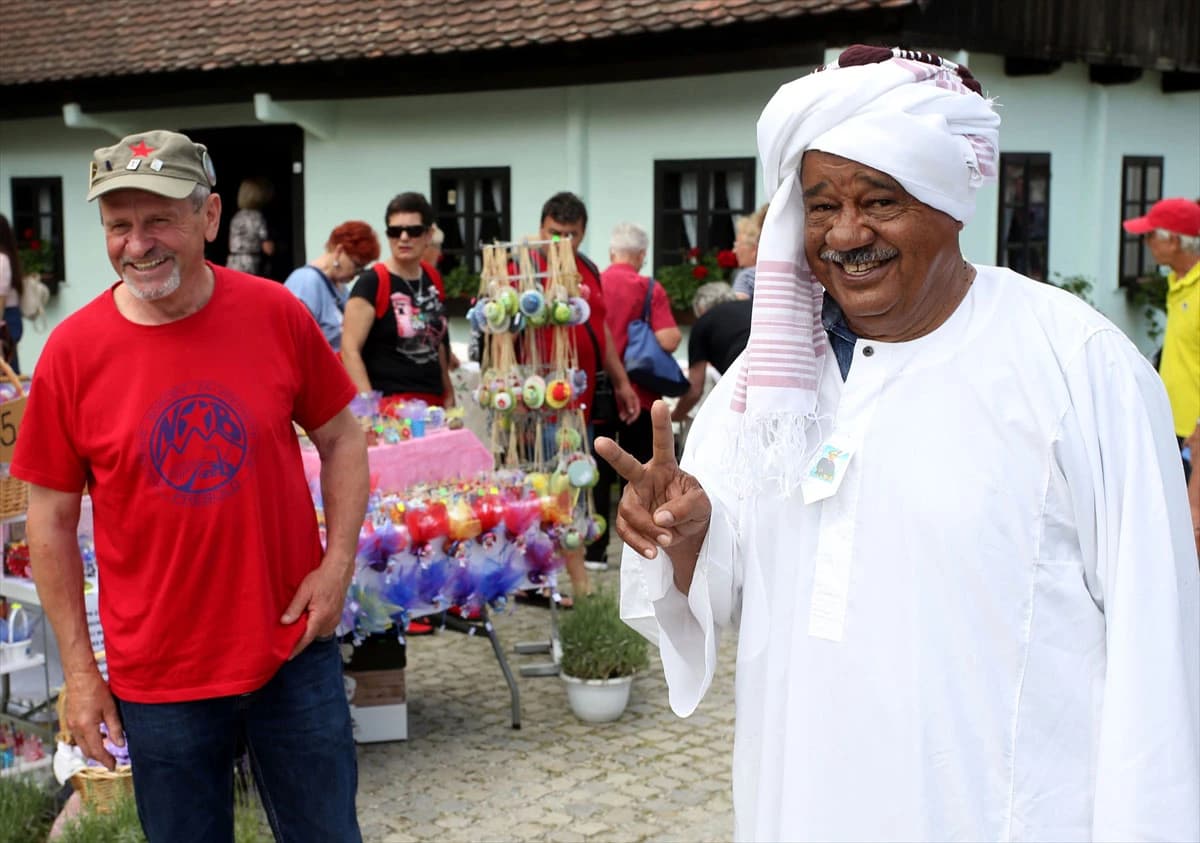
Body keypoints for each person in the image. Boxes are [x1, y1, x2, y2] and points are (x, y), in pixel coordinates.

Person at [597, 47, 1200, 842]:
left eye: (878, 199)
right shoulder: (767, 385)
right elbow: (719, 591)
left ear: (948, 202)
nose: (847, 233)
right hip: (797, 808)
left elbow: (1157, 650)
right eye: (820, 207)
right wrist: (686, 540)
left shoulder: (1077, 368)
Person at [12, 130, 369, 843]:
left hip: (291, 652)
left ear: (208, 218)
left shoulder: (275, 313)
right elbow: (47, 522)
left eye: (158, 220)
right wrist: (80, 674)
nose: (137, 244)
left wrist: (337, 567)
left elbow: (343, 439)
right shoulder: (72, 354)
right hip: (158, 678)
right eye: (119, 225)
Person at [517, 192, 640, 598]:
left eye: (570, 235)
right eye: (554, 233)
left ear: (583, 233)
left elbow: (600, 329)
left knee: (571, 486)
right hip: (540, 405)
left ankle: (543, 580)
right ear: (541, 228)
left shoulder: (587, 267)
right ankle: (576, 585)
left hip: (580, 401)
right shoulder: (525, 268)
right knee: (558, 490)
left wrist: (621, 382)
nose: (560, 243)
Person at [587, 222, 680, 571]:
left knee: (598, 470)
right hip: (640, 396)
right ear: (642, 255)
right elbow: (669, 338)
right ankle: (640, 550)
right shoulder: (648, 288)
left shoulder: (593, 284)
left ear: (612, 253)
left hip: (599, 392)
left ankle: (595, 553)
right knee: (639, 472)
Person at [341, 192, 455, 412]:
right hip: (390, 409)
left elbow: (438, 343)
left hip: (433, 407)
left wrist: (449, 393)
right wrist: (371, 409)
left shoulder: (432, 278)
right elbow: (350, 350)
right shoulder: (371, 282)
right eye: (395, 231)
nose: (403, 237)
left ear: (428, 235)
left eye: (413, 231)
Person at [1122, 197, 1200, 482]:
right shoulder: (1178, 280)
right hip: (1175, 424)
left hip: (1195, 431)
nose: (1147, 243)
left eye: (1151, 235)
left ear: (1175, 241)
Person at [284, 220, 380, 352]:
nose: (356, 274)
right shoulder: (305, 282)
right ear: (339, 251)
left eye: (362, 269)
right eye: (356, 266)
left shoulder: (341, 287)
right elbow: (292, 339)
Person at [670, 281, 751, 423]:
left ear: (702, 309)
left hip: (743, 374)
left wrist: (675, 416)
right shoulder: (751, 306)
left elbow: (695, 389)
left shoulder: (703, 323)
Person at [226, 176, 275, 276]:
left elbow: (231, 244)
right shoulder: (257, 217)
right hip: (250, 264)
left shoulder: (236, 217)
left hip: (232, 262)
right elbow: (268, 249)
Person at [0, 213, 25, 371]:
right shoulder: (8, 257)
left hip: (4, 320)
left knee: (6, 371)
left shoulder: (1, 259)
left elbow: (0, 300)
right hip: (9, 319)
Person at [730, 204, 768, 300]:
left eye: (737, 245)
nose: (734, 251)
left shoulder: (747, 277)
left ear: (754, 250)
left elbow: (738, 310)